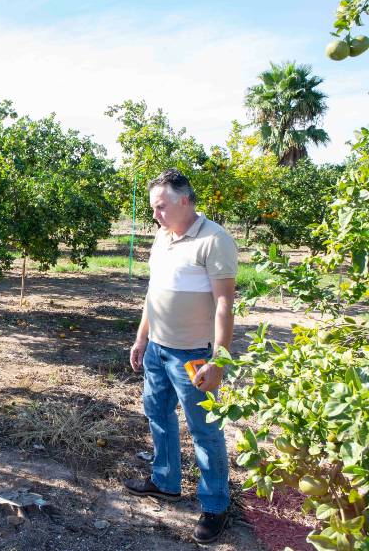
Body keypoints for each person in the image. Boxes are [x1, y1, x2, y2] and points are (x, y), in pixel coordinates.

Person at [123, 169, 236, 545]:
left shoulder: (214, 239)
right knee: (157, 414)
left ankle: (216, 505)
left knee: (204, 429)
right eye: (154, 207)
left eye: (161, 206)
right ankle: (166, 480)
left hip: (194, 354)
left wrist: (219, 361)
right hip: (157, 348)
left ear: (184, 200)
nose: (155, 213)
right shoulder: (162, 236)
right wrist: (142, 339)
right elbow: (154, 293)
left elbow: (223, 304)